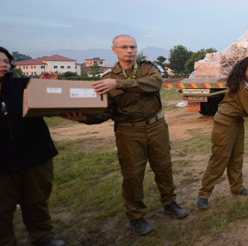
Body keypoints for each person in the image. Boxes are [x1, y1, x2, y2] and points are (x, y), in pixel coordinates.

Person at [65, 35, 188, 235]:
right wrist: (82, 118)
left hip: (156, 126)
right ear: (114, 50)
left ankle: (169, 202)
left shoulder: (147, 68)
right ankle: (136, 216)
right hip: (128, 131)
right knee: (132, 174)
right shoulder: (106, 79)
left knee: (163, 166)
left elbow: (154, 84)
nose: (129, 51)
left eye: (132, 47)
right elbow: (107, 112)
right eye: (124, 47)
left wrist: (119, 84)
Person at [0, 47, 65, 246]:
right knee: (2, 210)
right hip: (3, 162)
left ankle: (42, 237)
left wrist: (50, 86)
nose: (3, 64)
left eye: (6, 61)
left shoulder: (23, 85)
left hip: (34, 154)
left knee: (36, 200)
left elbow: (52, 102)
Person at [197, 57, 248, 208]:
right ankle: (204, 194)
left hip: (236, 122)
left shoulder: (243, 82)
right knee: (219, 159)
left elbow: (247, 106)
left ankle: (237, 187)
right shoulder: (240, 84)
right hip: (225, 124)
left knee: (236, 157)